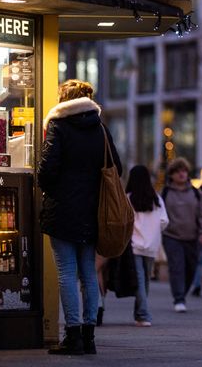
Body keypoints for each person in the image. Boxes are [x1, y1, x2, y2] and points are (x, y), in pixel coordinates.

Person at [39, 79, 122, 355]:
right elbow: (116, 167)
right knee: (88, 271)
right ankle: (89, 337)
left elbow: (47, 170)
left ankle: (71, 335)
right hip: (93, 211)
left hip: (62, 210)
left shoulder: (58, 126)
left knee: (66, 271)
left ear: (64, 99)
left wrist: (52, 189)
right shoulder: (100, 128)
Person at [161, 157, 202, 313]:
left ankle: (182, 292)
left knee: (190, 268)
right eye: (177, 171)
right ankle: (179, 298)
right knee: (177, 267)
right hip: (171, 236)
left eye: (184, 170)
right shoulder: (165, 193)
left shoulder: (196, 194)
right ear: (171, 175)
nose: (181, 174)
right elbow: (159, 214)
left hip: (192, 237)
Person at [127, 165, 169, 327]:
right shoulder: (157, 199)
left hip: (134, 244)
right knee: (145, 280)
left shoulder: (128, 198)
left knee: (139, 278)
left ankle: (143, 314)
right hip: (152, 245)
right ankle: (140, 313)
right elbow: (164, 221)